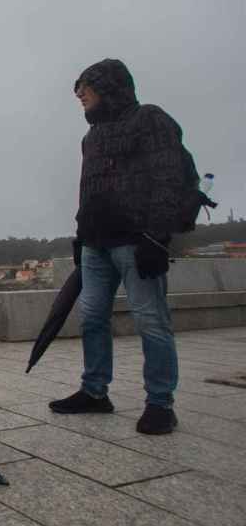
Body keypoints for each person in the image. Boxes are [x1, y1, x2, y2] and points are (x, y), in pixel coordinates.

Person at [49, 59, 201, 435]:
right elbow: (91, 189)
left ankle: (160, 403)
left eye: (86, 87)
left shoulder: (151, 120)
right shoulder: (93, 136)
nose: (80, 94)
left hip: (137, 242)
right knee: (92, 318)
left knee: (151, 320)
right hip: (96, 245)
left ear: (111, 87)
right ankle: (95, 391)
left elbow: (168, 179)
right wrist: (81, 235)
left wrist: (156, 236)